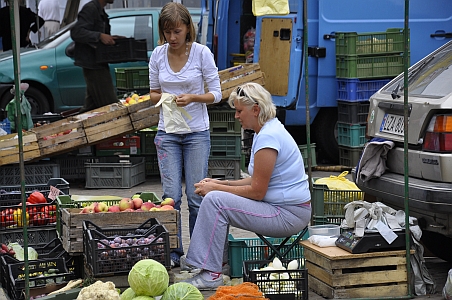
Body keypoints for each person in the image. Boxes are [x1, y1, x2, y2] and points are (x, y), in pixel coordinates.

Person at [181, 82, 312, 290]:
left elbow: (257, 192)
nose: (236, 116)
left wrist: (216, 189)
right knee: (216, 197)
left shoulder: (268, 137)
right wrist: (220, 183)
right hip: (285, 209)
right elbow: (255, 180)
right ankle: (216, 266)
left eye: (240, 111)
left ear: (256, 109)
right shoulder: (267, 131)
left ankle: (210, 273)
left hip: (289, 215)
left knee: (216, 201)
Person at [148, 2, 222, 267]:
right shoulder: (157, 54)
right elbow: (153, 93)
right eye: (167, 32)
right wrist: (168, 98)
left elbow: (217, 93)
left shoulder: (202, 53)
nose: (172, 37)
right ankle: (173, 252)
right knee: (171, 198)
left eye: (177, 31)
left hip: (196, 134)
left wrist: (193, 97)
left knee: (196, 196)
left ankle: (200, 254)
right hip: (167, 132)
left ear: (188, 28)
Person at [70, 0, 120, 113]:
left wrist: (110, 38)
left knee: (91, 107)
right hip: (93, 64)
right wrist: (100, 36)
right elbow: (77, 32)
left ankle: (78, 128)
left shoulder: (100, 10)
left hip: (98, 62)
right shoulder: (91, 9)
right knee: (111, 106)